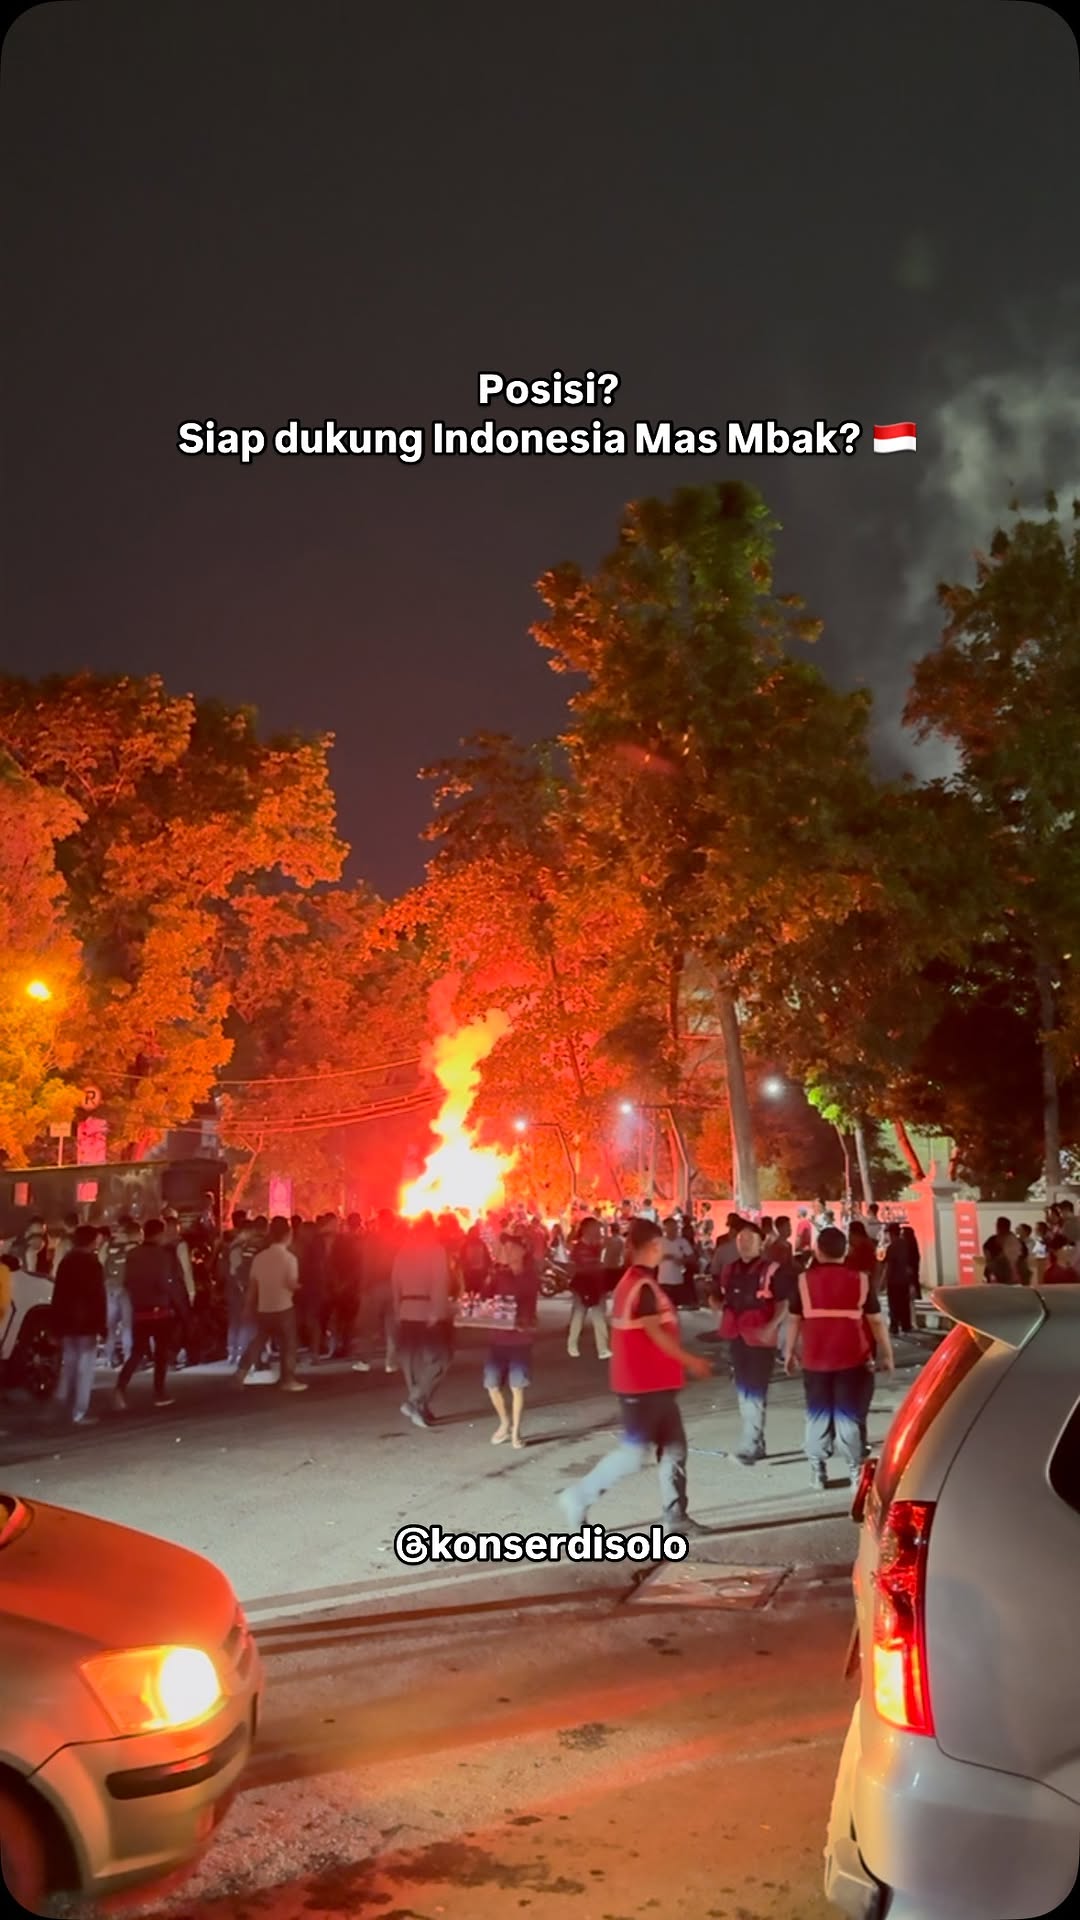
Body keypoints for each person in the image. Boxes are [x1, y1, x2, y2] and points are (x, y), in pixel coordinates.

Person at [558, 1216, 712, 1540]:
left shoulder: (634, 1280)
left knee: (674, 1449)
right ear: (653, 1247)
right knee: (632, 1454)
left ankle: (676, 1516)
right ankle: (579, 1497)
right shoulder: (642, 1285)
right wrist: (691, 1360)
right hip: (644, 1384)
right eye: (660, 1247)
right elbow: (655, 1331)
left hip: (654, 1383)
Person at [786, 1225, 894, 1490]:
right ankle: (855, 1471)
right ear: (845, 1251)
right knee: (849, 1416)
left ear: (817, 1250)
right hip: (853, 1358)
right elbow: (876, 1322)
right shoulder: (861, 1280)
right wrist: (887, 1354)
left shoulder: (803, 1281)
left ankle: (817, 1470)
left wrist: (789, 1352)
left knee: (817, 1414)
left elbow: (793, 1321)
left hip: (815, 1360)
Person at [712, 1223, 790, 1466]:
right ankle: (756, 1441)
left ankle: (750, 1444)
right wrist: (718, 1308)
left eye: (749, 1238)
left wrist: (771, 1327)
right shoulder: (729, 1269)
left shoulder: (772, 1270)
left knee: (754, 1391)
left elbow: (784, 1302)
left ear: (761, 1241)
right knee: (744, 1389)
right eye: (741, 1238)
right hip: (736, 1337)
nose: (744, 1242)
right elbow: (715, 1294)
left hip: (760, 1340)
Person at [114, 1219, 188, 1410]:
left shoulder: (132, 1254)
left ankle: (120, 1387)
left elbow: (127, 1281)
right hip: (159, 1310)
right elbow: (165, 1283)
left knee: (138, 1352)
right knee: (161, 1353)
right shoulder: (162, 1256)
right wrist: (177, 1304)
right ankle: (159, 1392)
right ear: (159, 1234)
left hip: (139, 1309)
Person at [392, 1213, 455, 1428]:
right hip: (427, 1309)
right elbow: (440, 1281)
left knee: (413, 1363)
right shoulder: (436, 1250)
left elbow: (395, 1284)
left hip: (406, 1310)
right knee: (441, 1359)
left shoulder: (402, 1252)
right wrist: (438, 1310)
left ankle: (421, 1406)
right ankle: (416, 1400)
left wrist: (396, 1310)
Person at [482, 1231, 539, 1448]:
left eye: (511, 1248)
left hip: (520, 1339)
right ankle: (504, 1423)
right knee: (492, 1384)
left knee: (517, 1386)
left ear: (523, 1251)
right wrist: (490, 1277)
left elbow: (528, 1304)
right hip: (498, 1336)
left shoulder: (529, 1277)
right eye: (505, 1248)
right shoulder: (499, 1274)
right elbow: (485, 1296)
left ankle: (516, 1431)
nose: (507, 1252)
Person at [234, 1216, 306, 1390]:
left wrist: (247, 1307)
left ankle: (240, 1373)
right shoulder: (290, 1258)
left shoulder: (260, 1258)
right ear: (288, 1235)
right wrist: (300, 1287)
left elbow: (252, 1286)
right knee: (288, 1344)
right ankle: (288, 1379)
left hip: (264, 1307)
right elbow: (290, 1283)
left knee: (258, 1341)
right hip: (284, 1307)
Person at [51, 1224, 107, 1426]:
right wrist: (102, 1325)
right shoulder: (92, 1264)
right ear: (92, 1241)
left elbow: (58, 1295)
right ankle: (79, 1411)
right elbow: (98, 1297)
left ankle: (64, 1407)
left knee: (70, 1365)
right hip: (87, 1323)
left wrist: (55, 1326)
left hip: (67, 1322)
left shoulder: (66, 1262)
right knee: (85, 1368)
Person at [567, 1217, 611, 1359]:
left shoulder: (596, 1246)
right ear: (586, 1230)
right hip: (583, 1285)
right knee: (579, 1315)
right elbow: (579, 1267)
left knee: (599, 1316)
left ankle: (602, 1348)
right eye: (595, 1228)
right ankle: (572, 1344)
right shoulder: (579, 1248)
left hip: (597, 1284)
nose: (598, 1231)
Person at [101, 1216, 139, 1366]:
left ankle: (109, 1358)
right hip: (126, 1288)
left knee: (110, 1327)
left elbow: (101, 1262)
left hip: (110, 1287)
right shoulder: (131, 1246)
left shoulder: (108, 1246)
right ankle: (128, 1357)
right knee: (127, 1326)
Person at [881, 1222, 916, 1332]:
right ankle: (906, 1325)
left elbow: (888, 1266)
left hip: (894, 1281)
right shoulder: (905, 1244)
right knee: (904, 1304)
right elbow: (910, 1264)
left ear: (891, 1233)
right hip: (904, 1280)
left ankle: (894, 1326)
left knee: (894, 1305)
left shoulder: (891, 1247)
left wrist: (883, 1281)